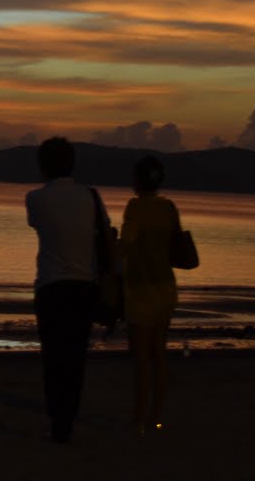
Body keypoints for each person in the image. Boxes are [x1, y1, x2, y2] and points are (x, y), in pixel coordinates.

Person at [25, 137, 114, 443]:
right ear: (72, 164)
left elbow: (38, 225)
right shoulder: (91, 196)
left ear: (43, 166)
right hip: (83, 287)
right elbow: (105, 234)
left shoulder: (35, 198)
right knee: (75, 359)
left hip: (50, 287)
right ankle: (68, 419)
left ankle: (57, 420)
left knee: (53, 358)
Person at [121, 156, 182, 433]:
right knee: (159, 354)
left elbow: (127, 244)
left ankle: (139, 419)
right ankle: (156, 417)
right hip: (166, 288)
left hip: (142, 290)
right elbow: (174, 242)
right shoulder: (168, 207)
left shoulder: (135, 208)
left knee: (141, 359)